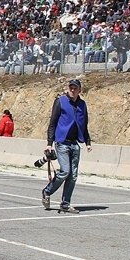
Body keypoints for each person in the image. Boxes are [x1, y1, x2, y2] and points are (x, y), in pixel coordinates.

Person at [41, 79, 92, 214]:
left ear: (80, 90)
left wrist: (87, 142)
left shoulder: (82, 105)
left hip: (75, 143)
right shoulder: (60, 101)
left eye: (75, 88)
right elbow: (53, 123)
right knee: (65, 171)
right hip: (62, 142)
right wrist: (49, 143)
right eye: (71, 88)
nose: (72, 90)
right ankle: (47, 191)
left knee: (73, 176)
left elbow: (84, 124)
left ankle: (65, 204)